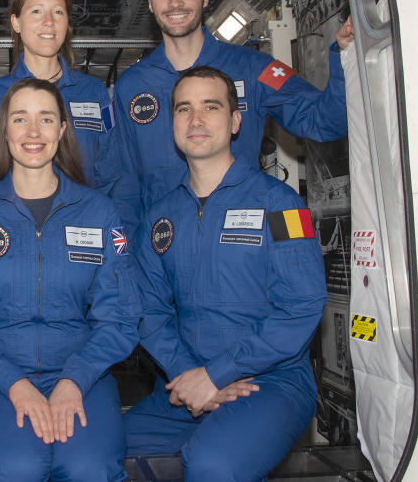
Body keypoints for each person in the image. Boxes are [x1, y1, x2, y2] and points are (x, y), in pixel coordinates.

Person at [0, 79, 140, 481]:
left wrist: (75, 380)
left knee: (89, 468)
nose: (32, 132)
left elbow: (121, 317)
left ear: (62, 130)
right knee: (17, 467)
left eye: (46, 119)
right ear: (4, 130)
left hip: (82, 375)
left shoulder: (98, 212)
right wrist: (15, 383)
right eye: (20, 118)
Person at [123, 67, 327, 481]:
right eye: (184, 109)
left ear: (235, 122)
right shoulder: (161, 216)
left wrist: (219, 374)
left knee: (214, 465)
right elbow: (147, 307)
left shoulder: (281, 205)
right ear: (173, 123)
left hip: (271, 381)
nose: (196, 120)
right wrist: (188, 374)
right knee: (103, 454)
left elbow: (302, 306)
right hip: (186, 379)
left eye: (210, 107)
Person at [113, 0, 354, 237]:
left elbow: (325, 121)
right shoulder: (132, 85)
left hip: (238, 242)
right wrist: (126, 260)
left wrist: (345, 57)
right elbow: (125, 183)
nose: (175, 3)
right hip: (163, 249)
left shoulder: (253, 68)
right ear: (150, 4)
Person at [0, 0, 135, 223]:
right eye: (36, 11)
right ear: (16, 22)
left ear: (67, 24)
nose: (49, 22)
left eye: (58, 12)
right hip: (12, 235)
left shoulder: (94, 93)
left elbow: (115, 174)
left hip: (83, 231)